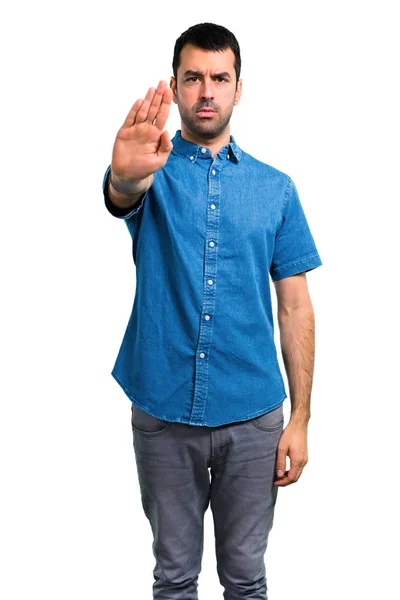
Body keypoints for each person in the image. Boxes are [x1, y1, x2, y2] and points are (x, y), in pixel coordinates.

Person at [102, 22, 322, 600]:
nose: (206, 92)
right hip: (163, 408)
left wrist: (300, 418)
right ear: (174, 87)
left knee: (246, 580)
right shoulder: (150, 170)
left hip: (253, 416)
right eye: (193, 78)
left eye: (219, 78)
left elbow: (295, 306)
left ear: (238, 89)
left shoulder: (276, 189)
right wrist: (123, 178)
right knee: (174, 579)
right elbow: (120, 195)